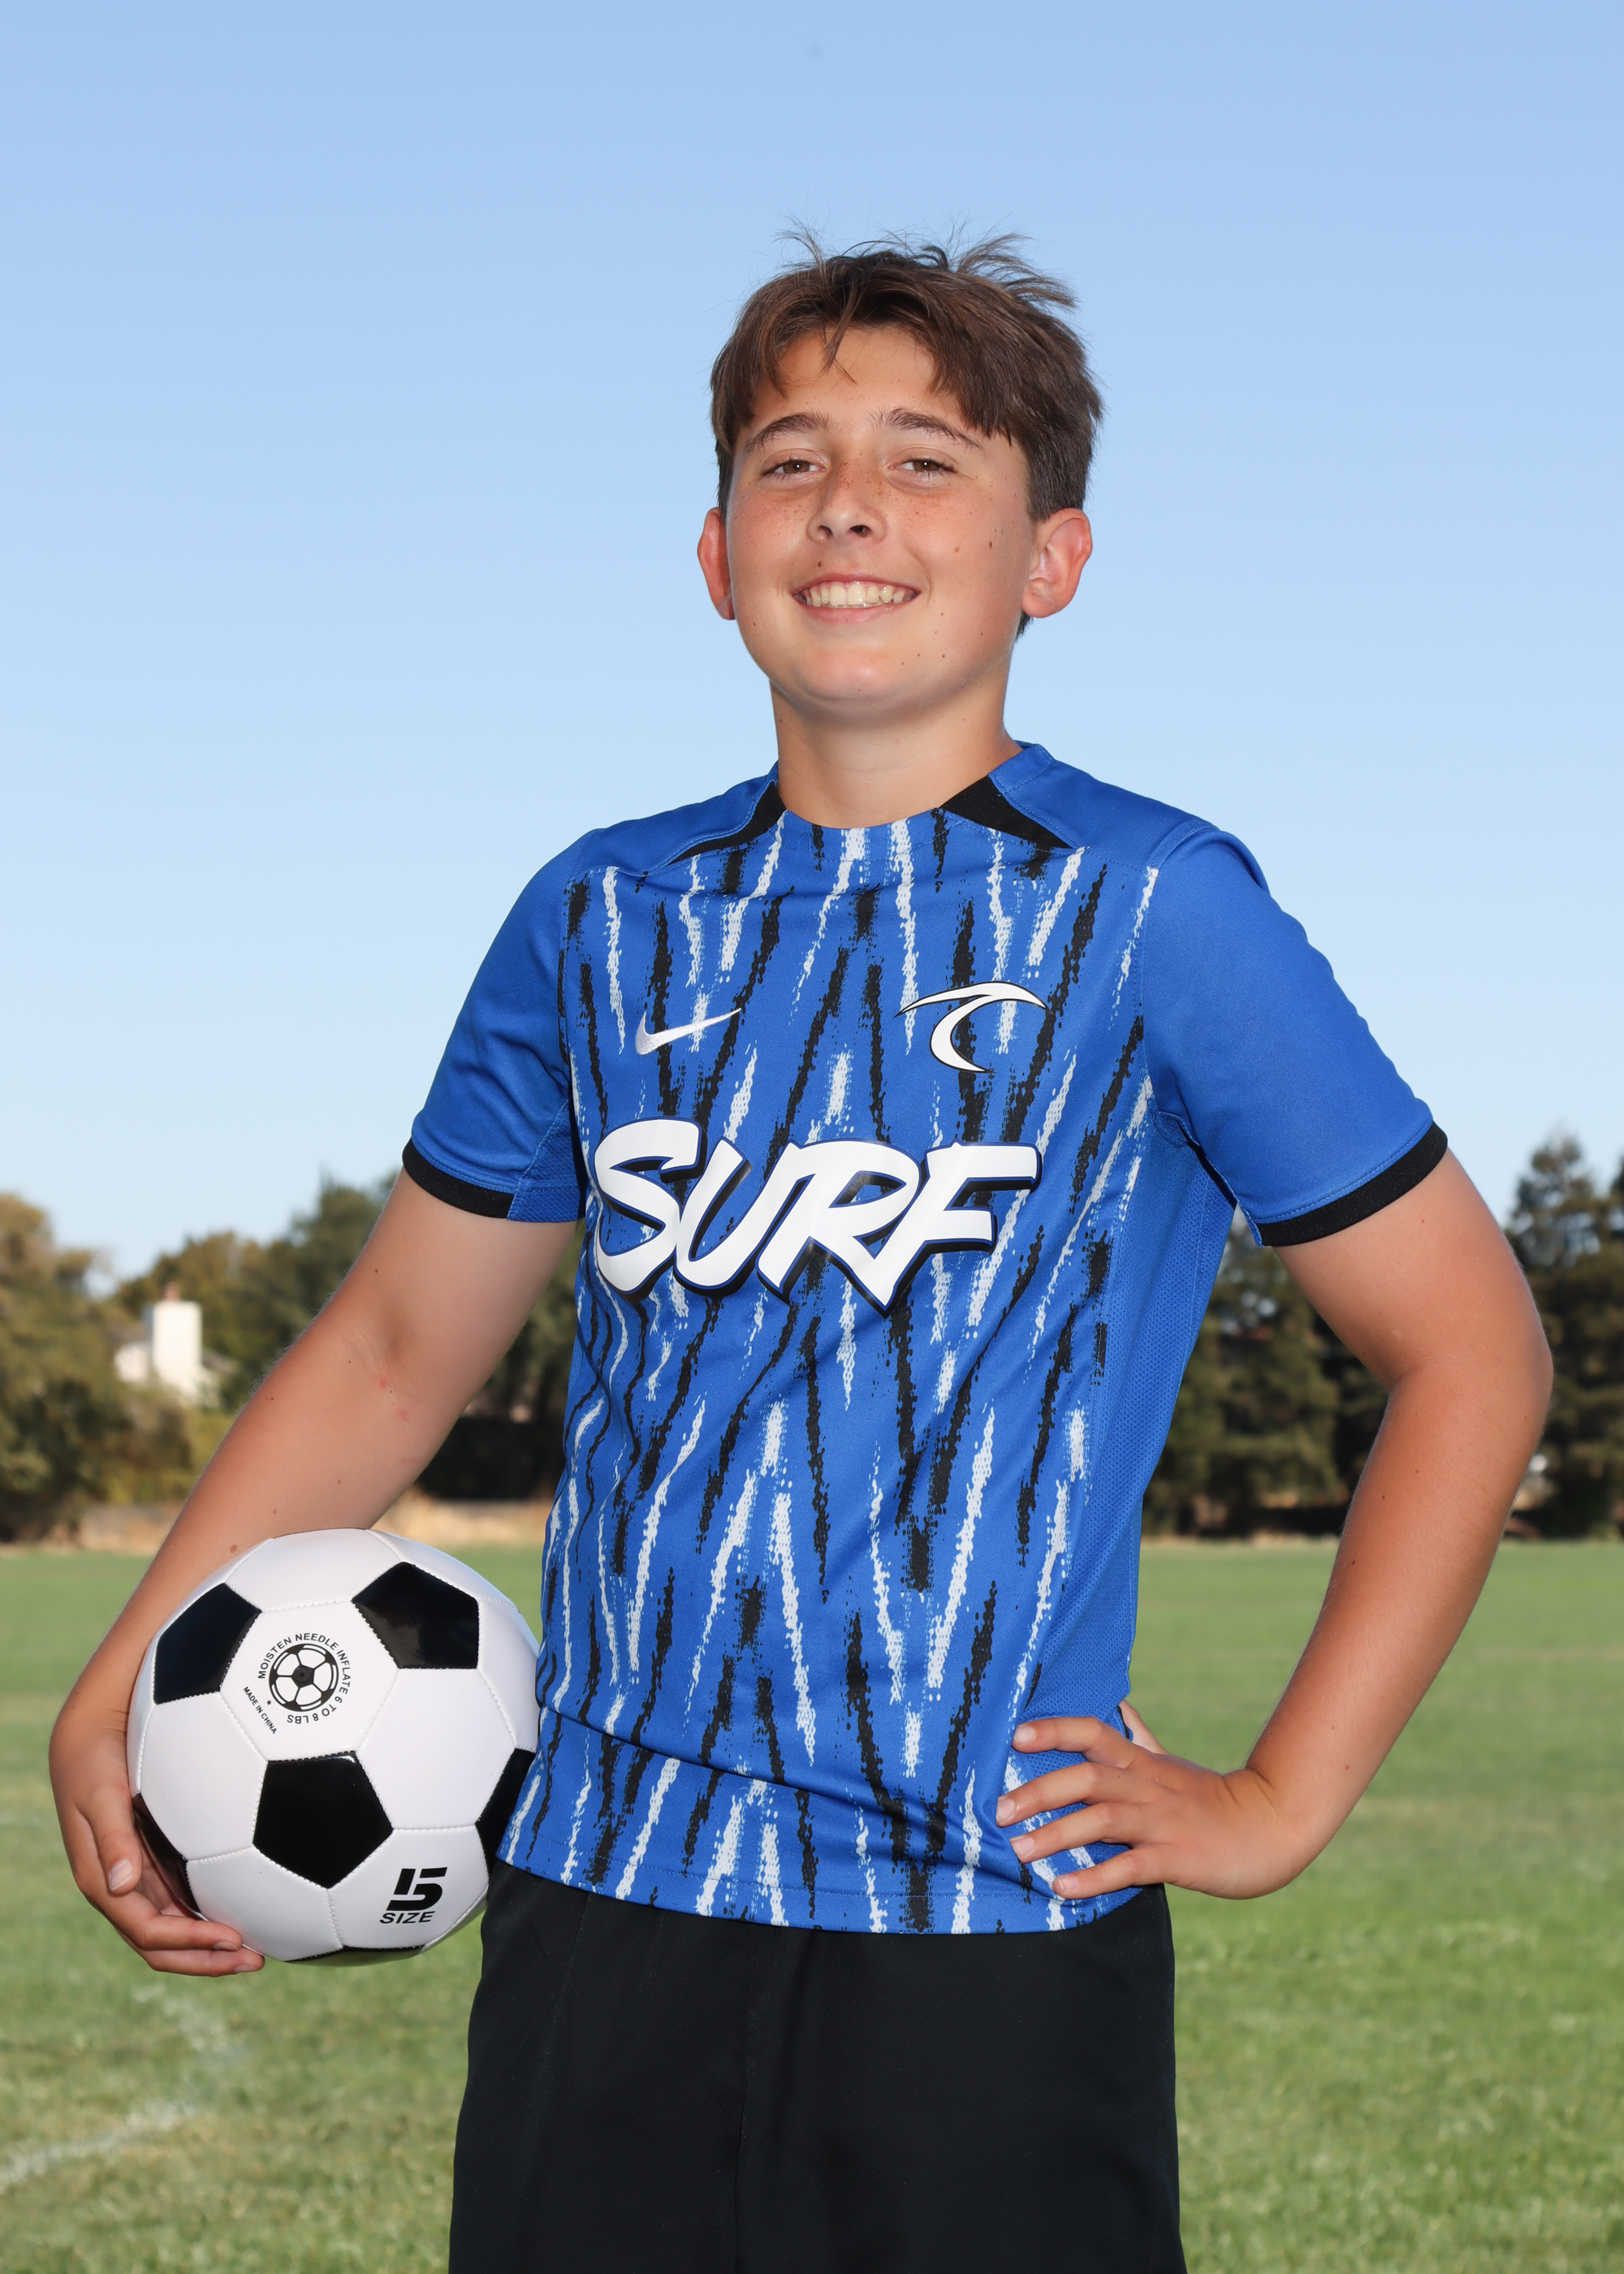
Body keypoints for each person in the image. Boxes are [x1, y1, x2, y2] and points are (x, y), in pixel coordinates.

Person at [51, 236, 1551, 2272]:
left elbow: (1472, 1350)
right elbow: (397, 1349)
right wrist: (129, 1670)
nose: (850, 504)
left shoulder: (1155, 906)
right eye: (790, 461)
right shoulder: (595, 917)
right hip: (602, 1903)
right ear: (714, 553)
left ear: (1051, 559)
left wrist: (1282, 1795)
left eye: (927, 459)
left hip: (984, 1928)